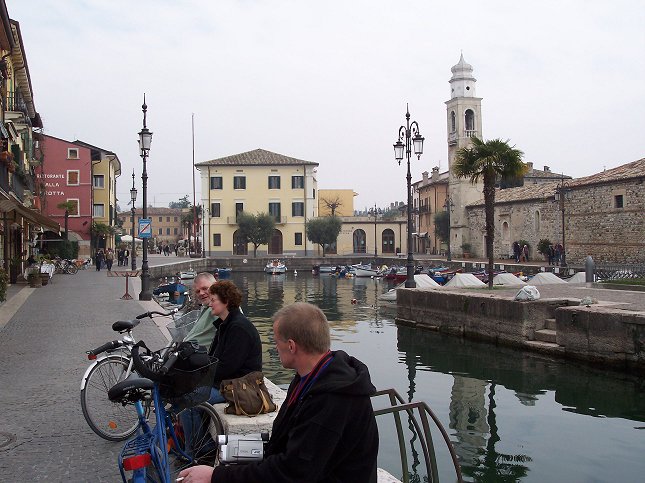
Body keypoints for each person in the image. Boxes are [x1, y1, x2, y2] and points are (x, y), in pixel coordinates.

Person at [179, 302, 379, 483]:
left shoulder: (331, 399)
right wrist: (229, 452)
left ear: (291, 346)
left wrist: (216, 476)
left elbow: (293, 471)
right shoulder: (311, 376)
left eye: (276, 342)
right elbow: (284, 445)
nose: (275, 347)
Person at [180, 280, 261, 458]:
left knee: (190, 402)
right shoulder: (225, 325)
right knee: (188, 394)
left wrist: (201, 378)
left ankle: (199, 451)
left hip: (242, 386)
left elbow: (228, 367)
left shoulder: (238, 328)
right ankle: (196, 447)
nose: (210, 303)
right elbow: (214, 359)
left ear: (226, 302)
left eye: (214, 299)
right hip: (229, 382)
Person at [183, 272, 218, 348]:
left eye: (205, 288)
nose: (201, 293)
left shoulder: (220, 307)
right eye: (197, 291)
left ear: (215, 286)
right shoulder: (206, 307)